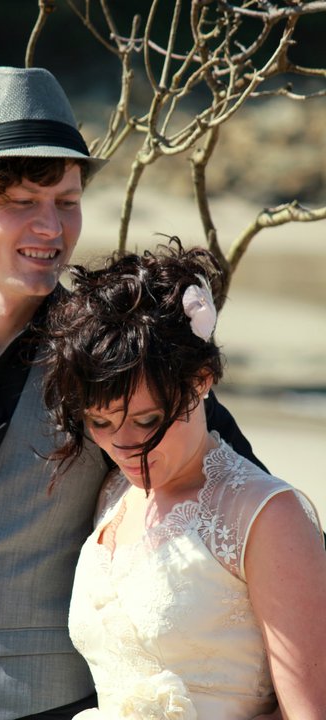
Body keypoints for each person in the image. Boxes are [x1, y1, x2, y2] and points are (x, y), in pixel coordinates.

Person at [0, 65, 266, 720]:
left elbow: (239, 495)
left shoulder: (113, 357)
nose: (52, 228)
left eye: (66, 202)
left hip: (33, 705)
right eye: (22, 203)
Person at [40, 241, 326, 720]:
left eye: (148, 421)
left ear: (201, 380)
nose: (125, 446)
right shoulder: (113, 495)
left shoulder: (267, 515)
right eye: (101, 423)